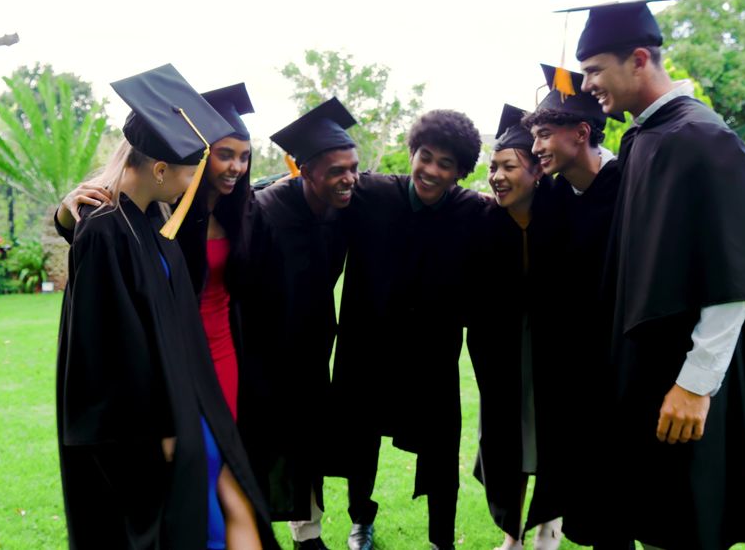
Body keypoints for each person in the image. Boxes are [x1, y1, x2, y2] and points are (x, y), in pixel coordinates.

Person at [570, 0, 745, 549]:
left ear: (638, 59)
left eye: (594, 71)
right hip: (644, 376)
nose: (588, 87)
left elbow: (733, 274)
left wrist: (696, 384)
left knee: (688, 527)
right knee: (654, 519)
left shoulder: (703, 139)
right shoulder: (643, 140)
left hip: (684, 377)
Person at [55, 63, 275, 549]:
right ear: (159, 169)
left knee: (233, 500)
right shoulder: (106, 229)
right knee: (200, 518)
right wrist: (159, 430)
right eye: (188, 172)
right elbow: (106, 349)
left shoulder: (154, 228)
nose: (190, 185)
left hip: (187, 398)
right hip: (150, 424)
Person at [329, 110, 488, 550]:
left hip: (430, 357)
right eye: (426, 156)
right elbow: (313, 190)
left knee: (439, 449)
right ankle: (360, 520)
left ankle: (442, 540)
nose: (431, 170)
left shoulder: (472, 212)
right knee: (361, 445)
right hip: (368, 349)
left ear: (460, 171)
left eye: (445, 164)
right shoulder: (371, 194)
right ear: (413, 152)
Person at [56, 82, 255, 420]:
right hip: (163, 366)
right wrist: (65, 214)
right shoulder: (157, 210)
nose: (236, 167)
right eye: (224, 155)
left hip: (207, 351)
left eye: (245, 157)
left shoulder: (238, 211)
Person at [238, 97, 360, 549]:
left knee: (308, 440)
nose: (348, 178)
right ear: (304, 172)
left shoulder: (343, 208)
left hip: (311, 347)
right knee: (261, 442)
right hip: (260, 350)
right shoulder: (263, 213)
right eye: (335, 170)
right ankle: (251, 530)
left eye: (353, 167)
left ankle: (307, 534)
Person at [522, 64, 632, 550]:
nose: (536, 147)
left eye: (545, 135)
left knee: (622, 502)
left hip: (621, 372)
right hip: (570, 378)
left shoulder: (629, 187)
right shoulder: (553, 193)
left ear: (581, 132)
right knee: (586, 504)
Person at [466, 104, 562, 550]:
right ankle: (512, 531)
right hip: (501, 353)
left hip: (555, 350)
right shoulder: (483, 222)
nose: (497, 176)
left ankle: (549, 524)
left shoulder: (566, 215)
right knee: (509, 440)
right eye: (493, 167)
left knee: (551, 433)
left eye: (509, 166)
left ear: (537, 172)